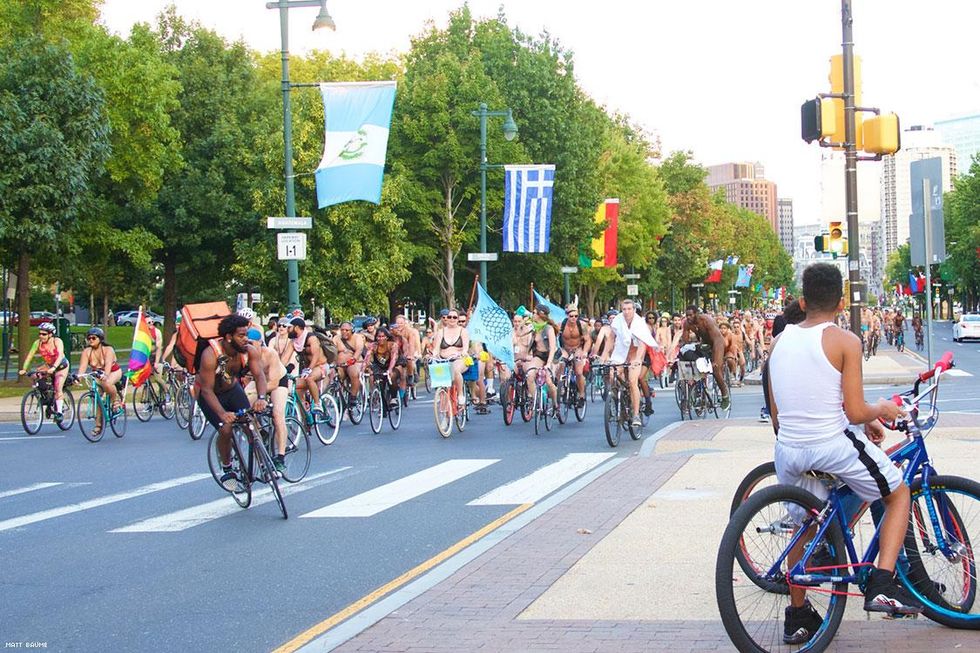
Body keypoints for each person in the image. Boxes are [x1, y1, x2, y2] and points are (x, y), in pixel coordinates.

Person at [767, 263, 920, 643]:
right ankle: (883, 583)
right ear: (840, 301)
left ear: (803, 301)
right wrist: (881, 409)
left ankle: (798, 615)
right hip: (830, 445)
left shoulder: (779, 341)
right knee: (898, 492)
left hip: (788, 449)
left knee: (805, 528)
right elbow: (854, 411)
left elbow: (778, 410)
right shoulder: (845, 341)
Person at [197, 315, 269, 489]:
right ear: (229, 337)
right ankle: (227, 467)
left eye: (247, 334)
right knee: (226, 428)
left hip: (232, 390)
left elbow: (259, 376)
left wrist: (261, 398)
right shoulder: (210, 354)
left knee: (250, 425)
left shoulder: (249, 351)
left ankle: (263, 464)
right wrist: (222, 414)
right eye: (241, 335)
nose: (246, 339)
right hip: (210, 395)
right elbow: (206, 390)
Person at [245, 325, 289, 473]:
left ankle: (281, 456)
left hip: (277, 381)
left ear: (259, 343)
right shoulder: (244, 355)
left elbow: (274, 383)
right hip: (260, 381)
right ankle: (261, 433)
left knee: (277, 414)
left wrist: (257, 394)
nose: (247, 346)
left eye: (251, 343)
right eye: (246, 342)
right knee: (244, 407)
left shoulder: (270, 354)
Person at [609, 299, 658, 427]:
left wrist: (637, 359)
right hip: (620, 355)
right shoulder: (617, 320)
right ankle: (617, 400)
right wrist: (604, 355)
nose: (626, 312)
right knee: (612, 374)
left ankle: (636, 414)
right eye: (624, 309)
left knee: (632, 381)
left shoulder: (639, 323)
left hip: (635, 356)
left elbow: (642, 344)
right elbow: (611, 338)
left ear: (634, 310)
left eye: (629, 309)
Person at [19, 322, 70, 420]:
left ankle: (59, 413)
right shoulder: (37, 343)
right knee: (35, 375)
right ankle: (47, 398)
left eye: (44, 334)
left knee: (58, 387)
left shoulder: (57, 341)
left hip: (61, 366)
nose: (41, 336)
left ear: (50, 334)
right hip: (49, 365)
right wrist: (24, 369)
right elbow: (30, 356)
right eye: (40, 334)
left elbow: (60, 355)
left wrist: (54, 367)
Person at [684, 305, 730, 410]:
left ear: (696, 314)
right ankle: (700, 392)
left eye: (690, 315)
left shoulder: (706, 320)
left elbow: (716, 340)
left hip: (717, 343)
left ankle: (724, 394)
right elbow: (685, 340)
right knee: (696, 364)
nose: (688, 317)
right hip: (704, 343)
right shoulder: (687, 324)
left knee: (715, 368)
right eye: (687, 315)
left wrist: (714, 358)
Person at [76, 327, 123, 424]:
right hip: (97, 375)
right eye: (89, 338)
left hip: (113, 372)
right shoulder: (86, 352)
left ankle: (115, 401)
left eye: (93, 338)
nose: (90, 340)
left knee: (107, 383)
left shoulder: (108, 349)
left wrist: (105, 375)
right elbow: (82, 368)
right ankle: (98, 425)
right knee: (97, 399)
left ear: (100, 339)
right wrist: (78, 378)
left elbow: (108, 365)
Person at [432, 309, 469, 406]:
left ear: (457, 319)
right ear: (446, 319)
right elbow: (436, 348)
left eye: (454, 317)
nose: (452, 319)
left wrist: (462, 353)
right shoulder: (441, 332)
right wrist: (434, 355)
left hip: (459, 359)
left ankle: (460, 395)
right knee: (442, 384)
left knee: (456, 370)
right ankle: (444, 412)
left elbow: (465, 347)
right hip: (444, 360)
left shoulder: (463, 331)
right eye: (449, 317)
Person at [525, 304, 559, 410]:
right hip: (539, 355)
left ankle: (555, 404)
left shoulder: (549, 328)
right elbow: (521, 333)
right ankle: (538, 401)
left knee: (548, 381)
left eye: (534, 313)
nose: (532, 314)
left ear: (541, 314)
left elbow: (553, 348)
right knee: (530, 375)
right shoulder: (534, 327)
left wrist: (548, 364)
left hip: (551, 356)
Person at [289, 317, 327, 412]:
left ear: (296, 327)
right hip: (307, 369)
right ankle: (304, 413)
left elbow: (316, 356)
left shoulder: (311, 338)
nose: (287, 330)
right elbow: (285, 357)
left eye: (290, 327)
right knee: (295, 386)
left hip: (320, 366)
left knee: (310, 378)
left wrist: (309, 369)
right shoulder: (294, 341)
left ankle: (318, 404)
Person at [558, 304, 591, 408]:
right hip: (565, 349)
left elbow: (588, 340)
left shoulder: (581, 325)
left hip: (577, 348)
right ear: (567, 315)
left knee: (579, 372)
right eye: (571, 316)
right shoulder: (561, 325)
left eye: (576, 316)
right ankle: (561, 386)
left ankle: (581, 395)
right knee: (561, 364)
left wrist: (584, 352)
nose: (574, 318)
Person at [366, 327, 400, 405]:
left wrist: (390, 370)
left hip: (393, 365)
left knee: (392, 376)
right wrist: (363, 369)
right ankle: (382, 404)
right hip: (379, 367)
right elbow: (367, 358)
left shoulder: (392, 345)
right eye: (379, 336)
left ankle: (394, 398)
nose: (381, 338)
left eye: (383, 336)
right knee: (379, 382)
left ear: (387, 337)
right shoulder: (373, 345)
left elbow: (394, 359)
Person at [333, 321, 365, 401]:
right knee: (334, 374)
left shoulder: (357, 337)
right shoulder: (336, 338)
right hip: (340, 365)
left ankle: (353, 398)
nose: (344, 332)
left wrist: (353, 359)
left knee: (354, 373)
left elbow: (359, 350)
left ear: (352, 330)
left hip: (354, 363)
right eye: (342, 330)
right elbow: (332, 350)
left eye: (347, 330)